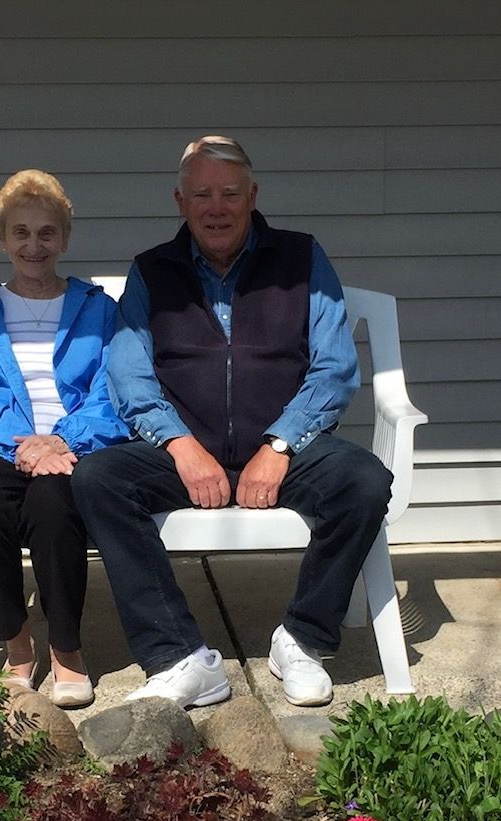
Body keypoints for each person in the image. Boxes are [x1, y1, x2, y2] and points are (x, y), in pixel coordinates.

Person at [71, 136, 393, 708]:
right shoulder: (152, 270)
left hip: (285, 447)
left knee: (363, 481)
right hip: (185, 448)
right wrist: (179, 445)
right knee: (98, 479)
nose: (215, 207)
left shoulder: (301, 258)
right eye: (201, 194)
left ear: (253, 196)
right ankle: (180, 657)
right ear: (180, 200)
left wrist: (281, 443)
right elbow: (129, 373)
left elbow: (335, 367)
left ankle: (301, 639)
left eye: (229, 193)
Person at [0, 169, 128, 708]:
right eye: (20, 232)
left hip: (75, 446)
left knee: (54, 508)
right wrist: (25, 443)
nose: (33, 245)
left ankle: (67, 649)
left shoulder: (99, 310)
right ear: (3, 239)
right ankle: (18, 644)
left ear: (64, 239)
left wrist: (63, 440)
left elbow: (113, 388)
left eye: (46, 233)